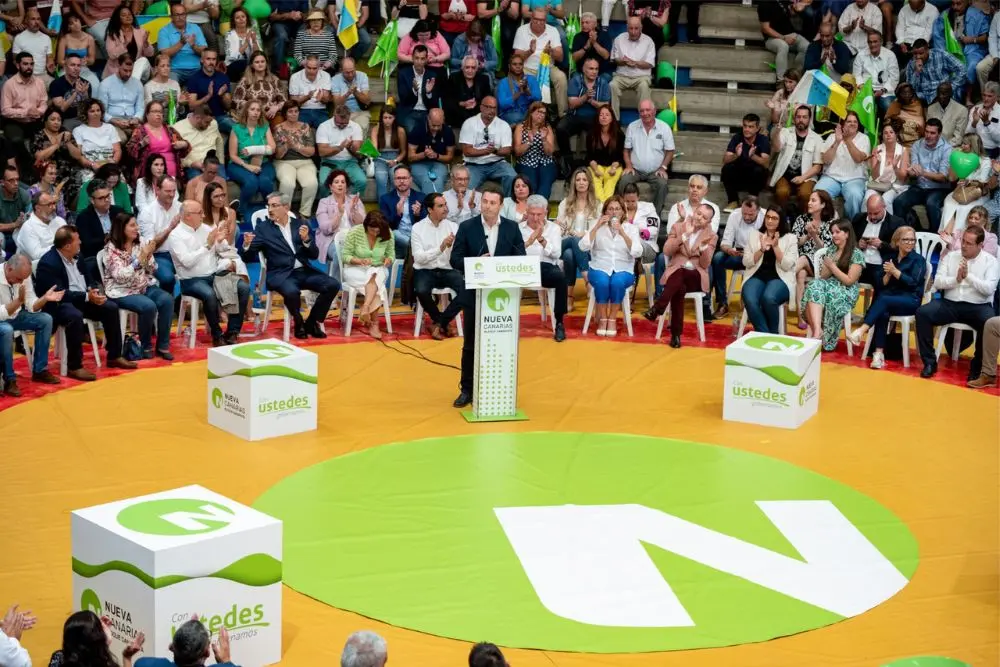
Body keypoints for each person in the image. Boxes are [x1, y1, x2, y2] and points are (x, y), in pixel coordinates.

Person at [451, 183, 526, 408]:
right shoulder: (467, 227)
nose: (488, 206)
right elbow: (454, 260)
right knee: (471, 343)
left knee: (503, 341)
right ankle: (467, 389)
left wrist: (501, 265)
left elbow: (520, 256)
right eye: (485, 201)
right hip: (475, 293)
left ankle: (501, 387)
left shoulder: (512, 228)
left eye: (493, 203)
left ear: (501, 205)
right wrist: (475, 263)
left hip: (503, 296)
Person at [35, 225, 136, 378]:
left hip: (83, 298)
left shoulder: (78, 256)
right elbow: (60, 294)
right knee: (74, 316)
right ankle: (74, 366)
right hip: (59, 304)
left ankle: (115, 356)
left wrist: (93, 290)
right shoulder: (48, 263)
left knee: (110, 308)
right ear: (67, 245)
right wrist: (88, 297)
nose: (81, 242)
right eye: (77, 240)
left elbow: (90, 279)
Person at [241, 193, 340, 339]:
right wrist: (246, 245)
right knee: (292, 292)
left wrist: (306, 240)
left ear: (286, 207)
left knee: (333, 284)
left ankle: (312, 322)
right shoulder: (263, 228)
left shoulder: (300, 225)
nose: (270, 210)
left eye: (274, 205)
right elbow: (248, 257)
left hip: (304, 271)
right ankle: (298, 321)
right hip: (280, 274)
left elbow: (314, 255)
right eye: (269, 206)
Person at [916, 225, 1000, 379]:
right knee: (923, 313)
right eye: (963, 241)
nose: (963, 246)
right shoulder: (950, 256)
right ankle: (929, 362)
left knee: (989, 323)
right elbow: (939, 282)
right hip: (950, 303)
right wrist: (956, 279)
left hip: (978, 306)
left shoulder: (991, 261)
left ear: (980, 245)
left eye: (969, 243)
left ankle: (977, 368)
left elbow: (989, 289)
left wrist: (968, 277)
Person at [169, 199, 250, 346]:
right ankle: (217, 334)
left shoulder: (206, 229)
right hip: (191, 279)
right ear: (187, 216)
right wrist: (208, 245)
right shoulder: (175, 236)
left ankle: (232, 332)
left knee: (243, 288)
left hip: (214, 275)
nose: (203, 214)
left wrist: (220, 241)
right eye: (200, 212)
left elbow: (222, 250)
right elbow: (186, 262)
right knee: (209, 294)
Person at [847, 225, 927, 368]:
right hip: (891, 300)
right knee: (882, 311)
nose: (910, 243)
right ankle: (878, 355)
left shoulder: (918, 260)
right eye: (906, 240)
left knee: (883, 299)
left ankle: (861, 330)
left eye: (912, 240)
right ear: (897, 242)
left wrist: (896, 272)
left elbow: (914, 283)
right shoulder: (890, 258)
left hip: (911, 300)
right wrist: (888, 274)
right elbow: (880, 284)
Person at [643, 202, 717, 348]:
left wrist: (703, 250)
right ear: (694, 211)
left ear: (709, 221)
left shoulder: (712, 236)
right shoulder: (678, 227)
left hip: (696, 275)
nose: (699, 218)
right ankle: (676, 336)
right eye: (699, 213)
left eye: (704, 217)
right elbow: (666, 251)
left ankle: (657, 308)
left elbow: (705, 264)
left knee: (681, 273)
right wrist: (685, 236)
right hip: (677, 274)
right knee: (679, 286)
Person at [103, 212, 175, 360]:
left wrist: (148, 256)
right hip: (121, 290)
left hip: (142, 285)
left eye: (136, 224)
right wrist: (140, 258)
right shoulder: (111, 249)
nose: (137, 228)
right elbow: (120, 276)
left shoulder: (141, 242)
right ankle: (145, 346)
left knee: (167, 300)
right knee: (148, 306)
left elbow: (153, 268)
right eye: (132, 225)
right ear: (121, 228)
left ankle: (163, 346)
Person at [578, 195, 640, 337]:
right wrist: (597, 226)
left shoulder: (631, 229)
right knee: (602, 282)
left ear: (623, 212)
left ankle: (612, 318)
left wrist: (622, 233)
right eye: (610, 209)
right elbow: (583, 246)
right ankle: (602, 318)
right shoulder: (596, 224)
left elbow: (637, 252)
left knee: (617, 282)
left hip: (624, 269)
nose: (614, 212)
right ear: (605, 211)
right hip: (599, 267)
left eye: (617, 209)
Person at [0, 254, 61, 393]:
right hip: (2, 319)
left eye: (24, 278)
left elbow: (31, 305)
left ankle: (40, 370)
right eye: (18, 278)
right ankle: (9, 379)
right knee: (7, 330)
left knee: (45, 319)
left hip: (16, 315)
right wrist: (18, 302)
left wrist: (44, 298)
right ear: (9, 269)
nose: (21, 281)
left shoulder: (23, 277)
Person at [801, 218, 864, 350]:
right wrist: (829, 265)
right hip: (829, 284)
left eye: (837, 232)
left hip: (846, 290)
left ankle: (825, 337)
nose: (833, 235)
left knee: (829, 294)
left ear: (846, 234)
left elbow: (849, 281)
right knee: (813, 286)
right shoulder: (831, 250)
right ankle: (818, 331)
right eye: (832, 232)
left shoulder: (856, 253)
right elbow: (822, 277)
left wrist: (833, 266)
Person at [411, 192, 464, 339]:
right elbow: (419, 258)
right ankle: (443, 323)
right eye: (440, 206)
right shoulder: (417, 228)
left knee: (467, 289)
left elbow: (458, 255)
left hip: (447, 269)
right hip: (425, 270)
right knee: (421, 290)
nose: (445, 208)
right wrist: (440, 248)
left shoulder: (454, 227)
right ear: (429, 209)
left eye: (445, 204)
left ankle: (440, 322)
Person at [741, 206, 798, 335]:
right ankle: (768, 335)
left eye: (774, 218)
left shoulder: (790, 238)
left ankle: (770, 335)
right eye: (768, 217)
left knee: (768, 298)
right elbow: (746, 262)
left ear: (781, 221)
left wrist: (776, 247)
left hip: (780, 278)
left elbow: (787, 266)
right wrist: (761, 249)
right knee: (750, 300)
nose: (770, 221)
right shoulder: (754, 235)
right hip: (756, 276)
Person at [340, 211, 396, 339]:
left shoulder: (388, 233)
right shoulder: (355, 232)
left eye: (378, 231)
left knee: (376, 274)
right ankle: (374, 323)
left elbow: (391, 254)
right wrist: (359, 261)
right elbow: (345, 256)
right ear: (366, 226)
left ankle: (366, 308)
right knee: (378, 286)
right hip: (355, 269)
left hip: (378, 268)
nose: (375, 234)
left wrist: (388, 260)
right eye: (372, 230)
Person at [893, 118, 953, 232]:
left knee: (931, 204)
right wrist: (911, 172)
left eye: (932, 133)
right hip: (920, 186)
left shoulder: (947, 149)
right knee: (899, 202)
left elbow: (943, 177)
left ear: (939, 134)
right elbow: (914, 171)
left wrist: (923, 173)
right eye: (926, 131)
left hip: (939, 189)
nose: (928, 135)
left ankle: (935, 238)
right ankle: (903, 235)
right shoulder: (917, 145)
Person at [522, 194, 568, 339]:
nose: (535, 218)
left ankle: (559, 322)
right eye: (532, 214)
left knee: (560, 278)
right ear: (526, 212)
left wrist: (541, 239)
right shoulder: (517, 228)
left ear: (546, 213)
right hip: (523, 268)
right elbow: (514, 252)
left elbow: (557, 254)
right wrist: (529, 241)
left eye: (539, 214)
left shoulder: (554, 229)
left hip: (546, 267)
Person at [620, 99, 673, 218]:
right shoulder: (632, 127)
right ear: (639, 113)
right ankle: (622, 214)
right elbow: (626, 150)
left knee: (662, 184)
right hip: (636, 170)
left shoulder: (664, 128)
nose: (645, 113)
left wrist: (663, 168)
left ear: (654, 111)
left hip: (656, 171)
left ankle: (654, 217)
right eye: (642, 111)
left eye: (648, 110)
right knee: (623, 180)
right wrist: (628, 165)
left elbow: (670, 151)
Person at [712, 196, 764, 318]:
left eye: (751, 215)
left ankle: (755, 305)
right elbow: (725, 243)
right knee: (718, 258)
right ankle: (722, 303)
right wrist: (729, 250)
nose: (746, 217)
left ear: (758, 210)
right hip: (738, 255)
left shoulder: (766, 216)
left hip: (758, 257)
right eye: (744, 213)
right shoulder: (735, 215)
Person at [557, 57, 610, 176]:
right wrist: (585, 97)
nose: (594, 71)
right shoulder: (575, 81)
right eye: (591, 69)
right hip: (575, 115)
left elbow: (606, 105)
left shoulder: (603, 82)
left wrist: (593, 102)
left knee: (595, 133)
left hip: (594, 117)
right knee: (561, 128)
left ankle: (589, 163)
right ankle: (568, 161)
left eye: (596, 69)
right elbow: (572, 104)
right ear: (584, 70)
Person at [556, 167, 600, 308]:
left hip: (588, 245)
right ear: (574, 183)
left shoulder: (598, 205)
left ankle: (569, 296)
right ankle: (588, 281)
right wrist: (561, 228)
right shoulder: (565, 203)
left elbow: (598, 229)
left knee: (570, 255)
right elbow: (558, 229)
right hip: (565, 241)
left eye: (584, 179)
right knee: (573, 242)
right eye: (578, 179)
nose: (581, 182)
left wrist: (585, 235)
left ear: (589, 183)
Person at [815, 111, 871, 220]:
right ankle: (823, 223)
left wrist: (847, 140)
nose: (852, 124)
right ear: (843, 124)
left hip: (855, 178)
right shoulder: (832, 137)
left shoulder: (864, 138)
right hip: (831, 177)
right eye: (849, 121)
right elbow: (826, 160)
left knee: (855, 195)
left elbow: (859, 159)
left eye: (855, 122)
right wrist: (837, 142)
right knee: (818, 192)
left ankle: (853, 225)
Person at [792, 189, 836, 327]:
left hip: (823, 265)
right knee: (801, 274)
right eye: (809, 200)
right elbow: (794, 242)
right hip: (803, 261)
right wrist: (807, 236)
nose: (809, 203)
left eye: (813, 200)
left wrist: (815, 236)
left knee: (804, 259)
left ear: (823, 205)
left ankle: (784, 275)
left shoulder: (831, 223)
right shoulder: (802, 219)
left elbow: (827, 249)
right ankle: (801, 316)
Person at [512, 9, 568, 116]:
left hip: (548, 67)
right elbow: (516, 59)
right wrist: (530, 51)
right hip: (527, 68)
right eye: (536, 19)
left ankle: (563, 114)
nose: (539, 22)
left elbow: (560, 57)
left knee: (561, 78)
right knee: (519, 80)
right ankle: (524, 115)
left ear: (545, 20)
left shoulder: (553, 30)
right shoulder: (522, 30)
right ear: (531, 19)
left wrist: (551, 51)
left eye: (542, 20)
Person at [770, 104, 823, 215]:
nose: (801, 120)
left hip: (806, 177)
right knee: (781, 192)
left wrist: (802, 177)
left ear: (809, 119)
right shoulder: (785, 132)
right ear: (794, 119)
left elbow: (818, 166)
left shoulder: (817, 138)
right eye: (798, 117)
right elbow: (777, 147)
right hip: (784, 174)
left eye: (804, 117)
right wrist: (776, 133)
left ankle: (801, 222)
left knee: (805, 194)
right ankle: (781, 221)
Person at [228, 100, 277, 219]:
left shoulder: (264, 127)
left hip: (263, 162)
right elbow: (233, 155)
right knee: (251, 183)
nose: (255, 112)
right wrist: (247, 166)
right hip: (239, 163)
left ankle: (271, 211)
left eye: (258, 110)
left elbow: (272, 149)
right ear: (246, 111)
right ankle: (239, 213)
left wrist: (255, 150)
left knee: (265, 183)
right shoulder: (236, 129)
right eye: (252, 109)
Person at [1, 52, 47, 174]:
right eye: (25, 64)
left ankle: (45, 170)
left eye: (31, 64)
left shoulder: (39, 82)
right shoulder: (9, 84)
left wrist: (39, 112)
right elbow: (5, 110)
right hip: (15, 121)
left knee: (43, 138)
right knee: (16, 140)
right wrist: (26, 112)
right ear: (18, 65)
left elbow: (44, 103)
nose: (29, 67)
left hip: (35, 120)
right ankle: (27, 168)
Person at [460, 97, 517, 195]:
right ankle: (469, 209)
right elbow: (467, 151)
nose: (491, 111)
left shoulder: (503, 125)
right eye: (488, 107)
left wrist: (495, 151)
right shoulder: (469, 123)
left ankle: (508, 205)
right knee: (467, 187)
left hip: (497, 163)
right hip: (474, 165)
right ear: (481, 107)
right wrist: (487, 151)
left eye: (494, 108)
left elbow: (507, 150)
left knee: (512, 176)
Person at [136, 175, 182, 295]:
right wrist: (170, 228)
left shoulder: (180, 207)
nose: (171, 195)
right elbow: (150, 247)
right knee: (167, 278)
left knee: (201, 271)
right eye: (167, 191)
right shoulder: (147, 212)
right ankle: (168, 305)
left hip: (180, 252)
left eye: (173, 191)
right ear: (157, 190)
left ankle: (180, 305)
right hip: (158, 255)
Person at [125, 101, 190, 184]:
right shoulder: (140, 131)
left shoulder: (170, 130)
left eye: (160, 112)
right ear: (147, 114)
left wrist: (184, 144)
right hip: (149, 175)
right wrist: (142, 144)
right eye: (155, 111)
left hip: (172, 175)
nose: (158, 114)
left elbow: (186, 149)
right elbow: (129, 151)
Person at [273, 102, 319, 220]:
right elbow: (277, 155)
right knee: (288, 183)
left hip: (305, 162)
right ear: (285, 114)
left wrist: (296, 147)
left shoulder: (305, 127)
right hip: (284, 162)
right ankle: (284, 213)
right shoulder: (278, 128)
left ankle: (305, 214)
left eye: (296, 111)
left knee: (311, 183)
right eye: (290, 112)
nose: (294, 114)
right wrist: (286, 146)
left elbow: (311, 151)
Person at [316, 169, 366, 276]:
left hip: (354, 239)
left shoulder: (354, 200)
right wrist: (339, 213)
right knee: (340, 251)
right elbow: (325, 229)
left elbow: (362, 224)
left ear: (347, 186)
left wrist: (353, 210)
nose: (340, 185)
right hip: (331, 240)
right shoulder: (324, 202)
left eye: (343, 182)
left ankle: (359, 283)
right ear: (330, 186)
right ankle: (336, 287)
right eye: (336, 182)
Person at [31, 108, 82, 212]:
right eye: (52, 119)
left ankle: (70, 214)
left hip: (69, 175)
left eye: (59, 120)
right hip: (48, 175)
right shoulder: (39, 135)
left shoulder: (66, 134)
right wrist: (56, 144)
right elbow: (39, 156)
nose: (56, 122)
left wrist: (67, 142)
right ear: (45, 121)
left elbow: (78, 156)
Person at [852, 192, 904, 293]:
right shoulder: (859, 219)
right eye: (869, 213)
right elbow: (848, 241)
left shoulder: (896, 223)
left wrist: (882, 245)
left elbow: (901, 249)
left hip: (880, 265)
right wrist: (858, 245)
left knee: (880, 282)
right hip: (859, 263)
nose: (872, 217)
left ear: (884, 207)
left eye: (876, 213)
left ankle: (874, 308)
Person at [74, 179, 122, 284]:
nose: (106, 200)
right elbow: (87, 244)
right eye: (101, 198)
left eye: (108, 196)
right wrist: (108, 238)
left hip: (121, 256)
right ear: (92, 200)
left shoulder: (118, 211)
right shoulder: (83, 218)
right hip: (98, 259)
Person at [134, 618, 234, 667]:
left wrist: (126, 657)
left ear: (171, 647)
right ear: (207, 653)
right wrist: (226, 661)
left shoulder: (144, 664)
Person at [721, 113, 770, 209]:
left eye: (751, 127)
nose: (746, 129)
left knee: (759, 170)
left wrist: (753, 156)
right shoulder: (737, 138)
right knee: (727, 168)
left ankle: (752, 201)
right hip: (740, 176)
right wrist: (736, 155)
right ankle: (733, 201)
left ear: (757, 128)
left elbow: (766, 163)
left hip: (755, 178)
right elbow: (725, 160)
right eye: (745, 126)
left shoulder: (763, 140)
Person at [609, 17, 654, 121]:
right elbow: (614, 59)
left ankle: (644, 120)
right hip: (622, 75)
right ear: (627, 28)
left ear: (641, 28)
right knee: (612, 85)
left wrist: (635, 63)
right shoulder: (619, 39)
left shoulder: (648, 41)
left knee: (644, 86)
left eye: (636, 28)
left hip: (641, 76)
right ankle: (614, 121)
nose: (633, 32)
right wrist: (622, 61)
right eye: (631, 28)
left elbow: (649, 64)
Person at [863, 121, 911, 215]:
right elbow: (874, 176)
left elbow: (902, 178)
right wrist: (878, 163)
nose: (888, 135)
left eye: (891, 132)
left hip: (894, 186)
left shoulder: (903, 151)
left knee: (886, 200)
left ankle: (887, 227)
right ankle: (865, 225)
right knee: (867, 198)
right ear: (883, 136)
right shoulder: (877, 149)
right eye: (885, 133)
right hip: (877, 184)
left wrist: (895, 167)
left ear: (896, 135)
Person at [317, 105, 366, 196]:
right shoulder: (324, 127)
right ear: (334, 116)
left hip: (350, 162)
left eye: (345, 124)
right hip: (329, 162)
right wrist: (339, 148)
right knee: (323, 184)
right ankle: (327, 207)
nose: (342, 126)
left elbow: (359, 154)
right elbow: (322, 152)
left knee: (361, 181)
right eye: (339, 123)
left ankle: (348, 203)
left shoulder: (355, 127)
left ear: (349, 117)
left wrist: (350, 147)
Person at [72, 99, 121, 188]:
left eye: (98, 110)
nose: (96, 113)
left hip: (109, 165)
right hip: (89, 167)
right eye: (92, 111)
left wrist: (113, 162)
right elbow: (79, 156)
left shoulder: (110, 128)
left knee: (122, 185)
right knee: (91, 186)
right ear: (85, 113)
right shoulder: (78, 130)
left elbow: (117, 150)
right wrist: (92, 164)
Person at [513, 101, 557, 199]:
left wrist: (544, 140)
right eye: (539, 112)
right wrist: (529, 141)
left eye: (544, 113)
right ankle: (529, 210)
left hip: (545, 162)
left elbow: (550, 152)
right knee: (531, 185)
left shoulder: (547, 128)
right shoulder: (521, 127)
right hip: (526, 162)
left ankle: (539, 208)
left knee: (545, 185)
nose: (541, 115)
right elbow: (517, 152)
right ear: (531, 112)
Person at [229, 51, 287, 125]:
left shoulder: (274, 80)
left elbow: (284, 101)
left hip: (271, 114)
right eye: (257, 62)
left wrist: (276, 108)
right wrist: (252, 107)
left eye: (262, 61)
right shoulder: (246, 80)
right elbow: (236, 100)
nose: (260, 64)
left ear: (266, 63)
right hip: (253, 115)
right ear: (252, 65)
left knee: (279, 122)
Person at [379, 165, 424, 259]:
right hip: (398, 239)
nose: (402, 181)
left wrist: (417, 215)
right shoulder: (385, 199)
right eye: (398, 178)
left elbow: (427, 223)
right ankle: (412, 248)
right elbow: (386, 227)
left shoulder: (421, 197)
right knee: (395, 233)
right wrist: (398, 214)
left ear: (410, 179)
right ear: (394, 180)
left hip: (416, 236)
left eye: (404, 178)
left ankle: (412, 248)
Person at [98, 54, 145, 142]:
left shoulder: (138, 84)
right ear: (118, 66)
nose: (128, 74)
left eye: (130, 71)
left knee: (144, 136)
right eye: (125, 70)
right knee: (122, 139)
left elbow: (140, 108)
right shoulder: (106, 84)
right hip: (113, 122)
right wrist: (113, 120)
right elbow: (101, 111)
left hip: (131, 122)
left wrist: (136, 118)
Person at [396, 45, 442, 135]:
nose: (419, 62)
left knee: (431, 131)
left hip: (427, 112)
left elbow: (434, 103)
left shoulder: (432, 75)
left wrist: (428, 92)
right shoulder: (403, 74)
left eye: (422, 59)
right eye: (416, 58)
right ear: (412, 58)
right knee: (413, 132)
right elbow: (403, 98)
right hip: (410, 111)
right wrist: (414, 90)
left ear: (426, 60)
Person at [408, 109, 455, 195]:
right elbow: (410, 157)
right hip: (419, 163)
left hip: (439, 163)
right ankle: (432, 206)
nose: (436, 128)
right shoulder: (418, 129)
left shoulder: (448, 131)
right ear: (428, 119)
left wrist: (436, 156)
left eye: (439, 125)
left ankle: (434, 206)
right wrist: (424, 154)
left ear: (443, 120)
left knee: (437, 179)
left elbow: (450, 158)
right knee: (427, 180)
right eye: (433, 125)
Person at [184, 49, 232, 134]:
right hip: (201, 118)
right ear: (202, 60)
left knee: (237, 129)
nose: (211, 62)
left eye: (213, 59)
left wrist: (222, 96)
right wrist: (208, 96)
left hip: (220, 117)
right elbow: (191, 106)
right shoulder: (194, 79)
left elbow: (228, 107)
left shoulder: (223, 77)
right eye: (208, 59)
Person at [157, 3, 207, 84]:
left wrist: (193, 46)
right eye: (177, 15)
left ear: (186, 15)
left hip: (196, 69)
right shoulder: (164, 31)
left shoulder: (195, 28)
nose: (180, 17)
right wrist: (181, 43)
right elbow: (164, 54)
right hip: (174, 70)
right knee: (172, 90)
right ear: (171, 17)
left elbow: (205, 52)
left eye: (183, 14)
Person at [904, 38, 965, 104]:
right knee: (906, 97)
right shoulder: (911, 64)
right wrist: (917, 72)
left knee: (950, 93)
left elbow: (961, 68)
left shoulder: (940, 54)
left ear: (927, 50)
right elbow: (911, 88)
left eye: (921, 53)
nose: (918, 57)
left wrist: (952, 86)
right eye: (915, 53)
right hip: (924, 95)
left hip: (942, 92)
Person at [759, 0, 809, 82]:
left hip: (789, 34)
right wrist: (783, 38)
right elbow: (765, 28)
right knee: (783, 46)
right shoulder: (764, 4)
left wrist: (795, 8)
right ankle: (781, 81)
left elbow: (789, 14)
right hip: (772, 39)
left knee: (807, 46)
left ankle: (794, 76)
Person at [174, 105, 226, 181]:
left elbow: (219, 142)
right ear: (198, 118)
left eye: (210, 122)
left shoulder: (213, 123)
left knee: (221, 182)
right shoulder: (178, 128)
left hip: (213, 162)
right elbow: (177, 155)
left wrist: (221, 163)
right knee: (199, 185)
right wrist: (191, 163)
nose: (209, 125)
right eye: (207, 122)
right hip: (193, 166)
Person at [102, 4, 153, 81]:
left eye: (129, 14)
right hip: (117, 70)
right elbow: (111, 55)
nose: (128, 16)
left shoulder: (141, 32)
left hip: (136, 68)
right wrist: (124, 45)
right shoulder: (113, 34)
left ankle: (131, 83)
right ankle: (131, 84)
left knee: (143, 60)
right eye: (124, 15)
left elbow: (150, 53)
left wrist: (146, 43)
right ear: (118, 18)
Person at [587, 106, 625, 202]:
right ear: (597, 117)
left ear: (612, 118)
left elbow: (620, 157)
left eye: (607, 115)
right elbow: (589, 156)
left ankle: (604, 205)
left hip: (614, 165)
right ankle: (604, 205)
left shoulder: (619, 134)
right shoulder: (591, 134)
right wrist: (595, 169)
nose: (604, 117)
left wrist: (613, 168)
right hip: (596, 165)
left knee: (610, 183)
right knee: (596, 182)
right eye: (601, 115)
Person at [370, 105, 408, 201]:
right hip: (380, 158)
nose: (387, 120)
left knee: (394, 177)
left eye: (390, 118)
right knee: (381, 179)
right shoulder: (376, 129)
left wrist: (395, 160)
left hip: (395, 157)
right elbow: (374, 149)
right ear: (381, 118)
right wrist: (371, 151)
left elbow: (403, 152)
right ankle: (383, 209)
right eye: (385, 117)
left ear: (394, 118)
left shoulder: (400, 131)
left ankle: (394, 206)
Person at [445, 55, 492, 129]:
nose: (470, 70)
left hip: (478, 115)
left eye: (473, 68)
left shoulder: (484, 79)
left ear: (477, 69)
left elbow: (488, 99)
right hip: (458, 116)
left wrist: (476, 103)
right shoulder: (454, 78)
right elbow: (448, 101)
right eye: (467, 67)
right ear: (462, 68)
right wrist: (461, 103)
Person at [18, 190, 66, 263]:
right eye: (49, 204)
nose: (54, 208)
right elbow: (37, 255)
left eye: (54, 203)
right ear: (38, 208)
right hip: (38, 267)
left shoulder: (59, 221)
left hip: (62, 262)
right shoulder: (28, 227)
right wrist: (60, 246)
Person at [47, 55, 92, 132]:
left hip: (81, 118)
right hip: (65, 119)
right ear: (65, 66)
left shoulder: (85, 83)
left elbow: (87, 107)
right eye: (72, 65)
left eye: (78, 65)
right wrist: (75, 93)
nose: (76, 68)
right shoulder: (56, 84)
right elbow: (62, 108)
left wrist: (85, 94)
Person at [288, 56, 332, 131]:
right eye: (309, 68)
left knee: (327, 131)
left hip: (320, 110)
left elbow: (327, 100)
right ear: (305, 66)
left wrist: (321, 98)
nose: (311, 71)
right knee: (299, 132)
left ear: (319, 67)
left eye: (314, 68)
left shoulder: (326, 76)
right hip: (302, 110)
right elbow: (293, 103)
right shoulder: (295, 77)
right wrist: (307, 97)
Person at [449, 20, 498, 86]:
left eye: (478, 36)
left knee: (486, 82)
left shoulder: (488, 40)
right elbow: (452, 61)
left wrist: (483, 65)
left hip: (483, 71)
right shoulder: (459, 40)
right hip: (463, 71)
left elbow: (495, 61)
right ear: (468, 33)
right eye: (473, 36)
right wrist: (463, 62)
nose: (475, 38)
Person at [57, 13, 99, 90]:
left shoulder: (89, 38)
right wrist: (73, 65)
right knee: (63, 85)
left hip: (83, 68)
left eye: (76, 21)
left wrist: (86, 61)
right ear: (68, 27)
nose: (76, 24)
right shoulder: (64, 39)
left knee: (95, 84)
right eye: (71, 23)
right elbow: (60, 61)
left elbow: (92, 60)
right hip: (67, 69)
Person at [497, 53, 541, 126]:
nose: (518, 66)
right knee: (518, 118)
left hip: (528, 112)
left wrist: (527, 91)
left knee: (537, 116)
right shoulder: (503, 82)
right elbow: (502, 104)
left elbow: (539, 98)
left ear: (523, 66)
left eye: (520, 64)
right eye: (514, 64)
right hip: (510, 113)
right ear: (509, 66)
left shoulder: (531, 79)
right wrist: (519, 93)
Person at [331, 57, 372, 134]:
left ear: (355, 68)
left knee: (361, 128)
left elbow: (367, 101)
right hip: (342, 112)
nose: (350, 75)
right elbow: (337, 104)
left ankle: (358, 146)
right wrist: (347, 93)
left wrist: (355, 92)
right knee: (340, 130)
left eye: (352, 71)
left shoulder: (362, 76)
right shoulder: (335, 80)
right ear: (341, 70)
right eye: (347, 72)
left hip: (360, 112)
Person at [268, 0, 309, 77]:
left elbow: (307, 14)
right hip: (280, 23)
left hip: (298, 24)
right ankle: (279, 69)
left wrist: (300, 15)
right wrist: (288, 15)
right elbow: (272, 17)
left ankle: (305, 66)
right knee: (282, 36)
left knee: (305, 32)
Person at [12, 9, 54, 83]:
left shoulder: (46, 38)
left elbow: (50, 58)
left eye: (38, 19)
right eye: (33, 19)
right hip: (25, 76)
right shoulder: (19, 38)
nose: (36, 22)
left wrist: (50, 64)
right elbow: (15, 61)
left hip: (43, 75)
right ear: (26, 21)